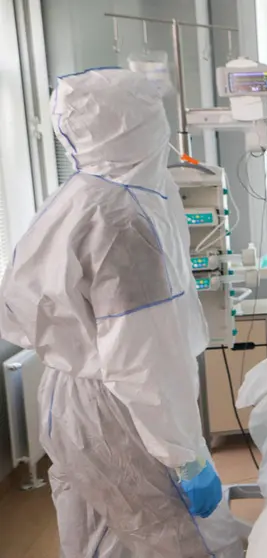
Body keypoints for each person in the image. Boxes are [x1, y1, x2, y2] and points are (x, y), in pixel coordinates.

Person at [0, 68, 244, 557]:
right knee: (185, 539)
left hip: (68, 395)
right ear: (138, 127)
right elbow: (141, 359)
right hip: (120, 409)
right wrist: (184, 457)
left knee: (98, 535)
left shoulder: (82, 195)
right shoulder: (123, 221)